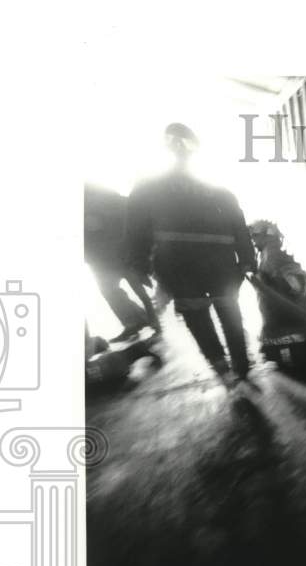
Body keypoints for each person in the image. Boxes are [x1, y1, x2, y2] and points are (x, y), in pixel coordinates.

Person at [126, 123, 255, 382]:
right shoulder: (218, 191)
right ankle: (238, 366)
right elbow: (239, 228)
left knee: (201, 318)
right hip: (217, 267)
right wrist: (247, 260)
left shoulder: (146, 190)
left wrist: (138, 265)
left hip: (182, 268)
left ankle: (225, 368)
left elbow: (135, 232)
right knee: (227, 314)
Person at [246, 219, 306, 381]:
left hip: (288, 326)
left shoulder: (273, 256)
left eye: (254, 236)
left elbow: (295, 284)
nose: (252, 240)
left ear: (265, 236)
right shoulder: (268, 255)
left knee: (296, 370)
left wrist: (274, 284)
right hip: (287, 324)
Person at [85, 184, 159, 340]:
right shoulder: (104, 195)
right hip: (103, 259)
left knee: (135, 290)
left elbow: (130, 213)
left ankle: (143, 321)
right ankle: (137, 321)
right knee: (113, 291)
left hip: (118, 255)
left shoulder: (103, 196)